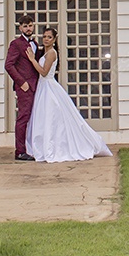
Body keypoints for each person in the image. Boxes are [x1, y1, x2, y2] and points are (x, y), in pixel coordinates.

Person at [24, 27, 112, 162]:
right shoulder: (45, 52)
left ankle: (56, 146)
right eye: (45, 36)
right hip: (43, 87)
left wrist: (32, 60)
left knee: (51, 117)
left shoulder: (52, 53)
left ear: (54, 40)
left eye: (49, 37)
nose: (46, 39)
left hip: (48, 86)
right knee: (44, 118)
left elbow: (44, 72)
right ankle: (42, 145)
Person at [5, 15, 41, 161]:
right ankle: (20, 151)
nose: (28, 28)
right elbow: (9, 65)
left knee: (34, 117)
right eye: (25, 26)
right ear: (20, 28)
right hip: (25, 87)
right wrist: (21, 82)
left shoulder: (35, 43)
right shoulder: (16, 44)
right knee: (23, 117)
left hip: (36, 85)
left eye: (30, 25)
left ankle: (32, 147)